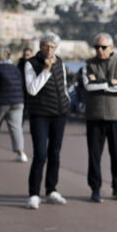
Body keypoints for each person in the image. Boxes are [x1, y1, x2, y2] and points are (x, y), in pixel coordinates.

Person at [24, 32, 71, 209]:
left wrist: (67, 100)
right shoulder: (31, 64)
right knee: (40, 154)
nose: (49, 50)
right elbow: (32, 90)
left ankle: (52, 189)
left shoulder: (61, 63)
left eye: (53, 47)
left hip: (59, 114)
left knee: (55, 153)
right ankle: (34, 193)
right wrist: (46, 70)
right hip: (40, 114)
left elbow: (64, 85)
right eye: (46, 46)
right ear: (40, 46)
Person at [83, 33, 117, 203]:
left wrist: (100, 83)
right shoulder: (88, 65)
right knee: (94, 155)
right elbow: (88, 86)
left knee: (116, 154)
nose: (99, 50)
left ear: (112, 48)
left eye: (103, 47)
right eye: (96, 47)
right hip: (95, 116)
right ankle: (95, 189)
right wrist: (111, 83)